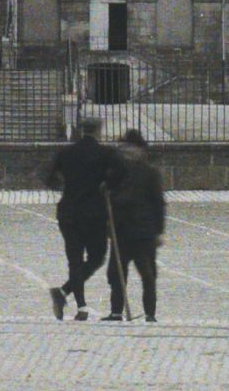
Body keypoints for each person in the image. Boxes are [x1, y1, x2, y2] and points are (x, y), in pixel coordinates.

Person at [43, 116, 123, 321]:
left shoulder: (66, 152)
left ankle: (80, 306)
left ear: (81, 130)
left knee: (74, 259)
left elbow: (49, 178)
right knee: (97, 257)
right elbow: (119, 177)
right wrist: (106, 185)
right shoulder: (106, 153)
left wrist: (65, 184)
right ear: (99, 130)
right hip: (94, 213)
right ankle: (64, 293)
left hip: (68, 211)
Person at [101, 129, 165, 323]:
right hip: (120, 230)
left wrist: (159, 231)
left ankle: (150, 313)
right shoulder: (115, 172)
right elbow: (106, 196)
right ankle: (116, 312)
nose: (125, 153)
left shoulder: (150, 172)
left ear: (139, 151)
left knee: (147, 274)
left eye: (129, 149)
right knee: (116, 273)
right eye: (123, 149)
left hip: (143, 232)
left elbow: (158, 203)